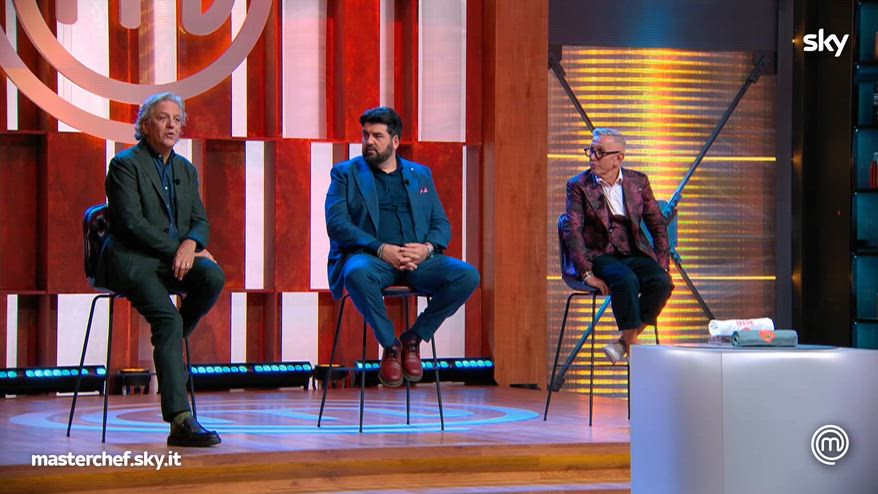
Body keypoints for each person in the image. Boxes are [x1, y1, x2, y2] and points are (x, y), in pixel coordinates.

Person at [96, 92, 225, 447]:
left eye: (177, 119)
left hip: (171, 260)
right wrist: (179, 250)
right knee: (167, 321)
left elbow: (199, 221)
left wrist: (191, 244)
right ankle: (180, 420)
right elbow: (130, 224)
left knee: (212, 276)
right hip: (132, 260)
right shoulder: (124, 165)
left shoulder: (185, 169)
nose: (171, 125)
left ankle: (172, 340)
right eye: (163, 118)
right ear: (145, 124)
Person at [325, 106, 480, 387]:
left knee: (467, 275)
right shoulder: (345, 174)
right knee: (355, 273)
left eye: (377, 136)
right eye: (365, 135)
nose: (369, 142)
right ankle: (391, 345)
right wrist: (382, 249)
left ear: (395, 141)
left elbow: (441, 224)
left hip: (417, 260)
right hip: (372, 258)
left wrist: (426, 249)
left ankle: (414, 338)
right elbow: (337, 224)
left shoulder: (420, 174)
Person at [563, 128, 673, 364]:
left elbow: (658, 225)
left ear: (618, 158)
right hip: (599, 255)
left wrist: (662, 264)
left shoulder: (638, 182)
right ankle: (633, 348)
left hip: (633, 252)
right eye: (591, 151)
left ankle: (622, 342)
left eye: (599, 152)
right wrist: (587, 273)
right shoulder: (578, 185)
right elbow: (572, 230)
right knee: (625, 279)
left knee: (662, 282)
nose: (592, 157)